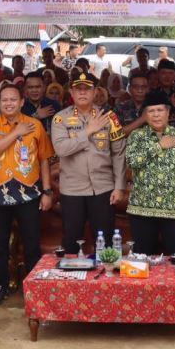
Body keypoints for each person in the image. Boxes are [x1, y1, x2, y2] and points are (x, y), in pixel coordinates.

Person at [0, 83, 54, 306]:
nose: (9, 103)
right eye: (5, 100)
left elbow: (44, 159)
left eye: (13, 99)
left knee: (31, 244)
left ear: (22, 102)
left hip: (28, 193)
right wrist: (16, 133)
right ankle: (0, 285)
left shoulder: (35, 125)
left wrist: (48, 191)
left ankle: (32, 287)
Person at [51, 72, 126, 255]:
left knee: (106, 241)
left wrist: (119, 186)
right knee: (72, 240)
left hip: (103, 188)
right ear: (71, 93)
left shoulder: (109, 118)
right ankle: (71, 282)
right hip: (72, 189)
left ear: (95, 92)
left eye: (87, 89)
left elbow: (118, 153)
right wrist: (88, 131)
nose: (82, 93)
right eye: (78, 89)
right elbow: (61, 149)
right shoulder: (60, 119)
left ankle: (106, 281)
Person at [124, 91, 175, 256]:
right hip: (141, 209)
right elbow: (132, 162)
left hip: (174, 208)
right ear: (145, 115)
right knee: (142, 258)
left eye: (160, 110)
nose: (156, 115)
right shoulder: (137, 136)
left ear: (168, 112)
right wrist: (159, 146)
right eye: (151, 111)